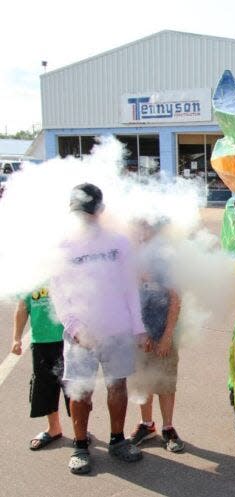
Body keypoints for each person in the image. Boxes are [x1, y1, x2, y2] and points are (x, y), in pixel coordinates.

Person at [50, 183, 148, 475]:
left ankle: (117, 440)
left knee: (117, 386)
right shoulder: (62, 246)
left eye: (90, 213)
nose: (86, 219)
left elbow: (130, 288)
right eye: (81, 213)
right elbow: (58, 292)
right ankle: (80, 445)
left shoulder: (119, 243)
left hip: (117, 330)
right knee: (80, 392)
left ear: (100, 212)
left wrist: (138, 328)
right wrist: (76, 327)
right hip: (81, 336)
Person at [128, 219, 185, 453]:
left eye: (147, 227)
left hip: (164, 333)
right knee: (142, 381)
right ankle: (146, 425)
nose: (142, 232)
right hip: (140, 334)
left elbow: (175, 298)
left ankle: (168, 428)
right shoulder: (131, 258)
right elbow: (128, 300)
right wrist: (140, 332)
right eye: (139, 227)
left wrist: (166, 337)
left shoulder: (167, 258)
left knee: (165, 382)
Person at [10, 286, 70, 451]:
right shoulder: (30, 276)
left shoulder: (65, 269)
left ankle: (82, 430)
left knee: (74, 387)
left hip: (69, 339)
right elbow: (22, 308)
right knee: (45, 386)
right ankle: (54, 428)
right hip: (41, 341)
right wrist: (16, 338)